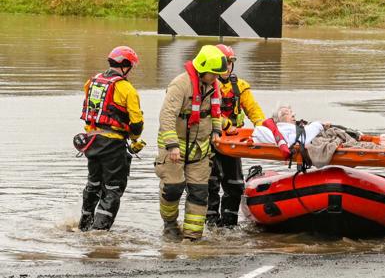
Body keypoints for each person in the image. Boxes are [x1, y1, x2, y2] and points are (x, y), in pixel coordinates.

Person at [155, 45, 226, 241]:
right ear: (202, 69)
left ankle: (192, 238)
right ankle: (169, 225)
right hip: (174, 149)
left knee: (199, 193)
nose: (216, 78)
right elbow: (167, 116)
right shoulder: (180, 84)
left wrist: (217, 131)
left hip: (200, 150)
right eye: (213, 74)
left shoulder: (213, 86)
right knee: (173, 188)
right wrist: (172, 145)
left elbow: (215, 112)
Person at [77, 46, 145, 231]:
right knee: (113, 188)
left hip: (91, 143)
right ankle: (99, 233)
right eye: (130, 66)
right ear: (125, 65)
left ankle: (84, 225)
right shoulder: (127, 89)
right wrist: (135, 138)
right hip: (113, 145)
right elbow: (136, 123)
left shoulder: (91, 82)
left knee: (93, 184)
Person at [207, 44, 267, 227]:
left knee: (234, 185)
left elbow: (254, 111)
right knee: (211, 183)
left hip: (233, 145)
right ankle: (210, 223)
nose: (227, 68)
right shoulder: (207, 86)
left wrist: (264, 129)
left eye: (230, 63)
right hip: (211, 141)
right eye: (224, 63)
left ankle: (229, 224)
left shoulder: (240, 87)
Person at [252, 106, 327, 146]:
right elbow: (303, 138)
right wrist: (319, 124)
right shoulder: (283, 130)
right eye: (287, 113)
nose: (293, 115)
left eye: (292, 112)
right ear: (278, 119)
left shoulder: (295, 128)